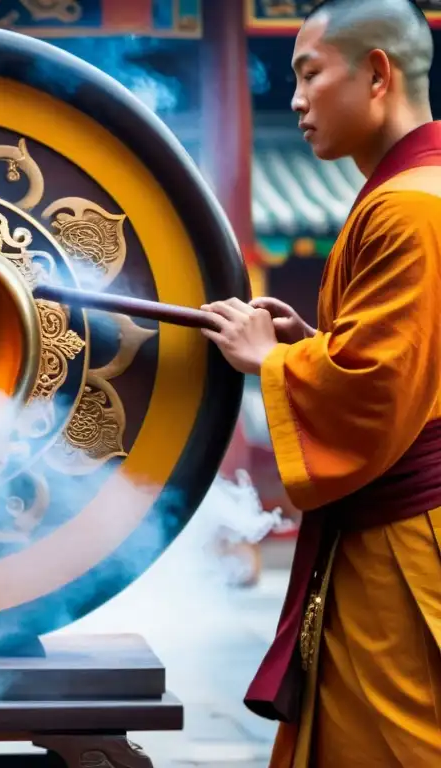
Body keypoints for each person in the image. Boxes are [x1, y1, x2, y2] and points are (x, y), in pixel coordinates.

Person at [200, 0, 441, 765]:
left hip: (403, 544)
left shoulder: (408, 210)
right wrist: (320, 345)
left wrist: (271, 361)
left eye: (309, 74)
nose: (296, 98)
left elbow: (374, 392)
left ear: (377, 73)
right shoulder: (418, 193)